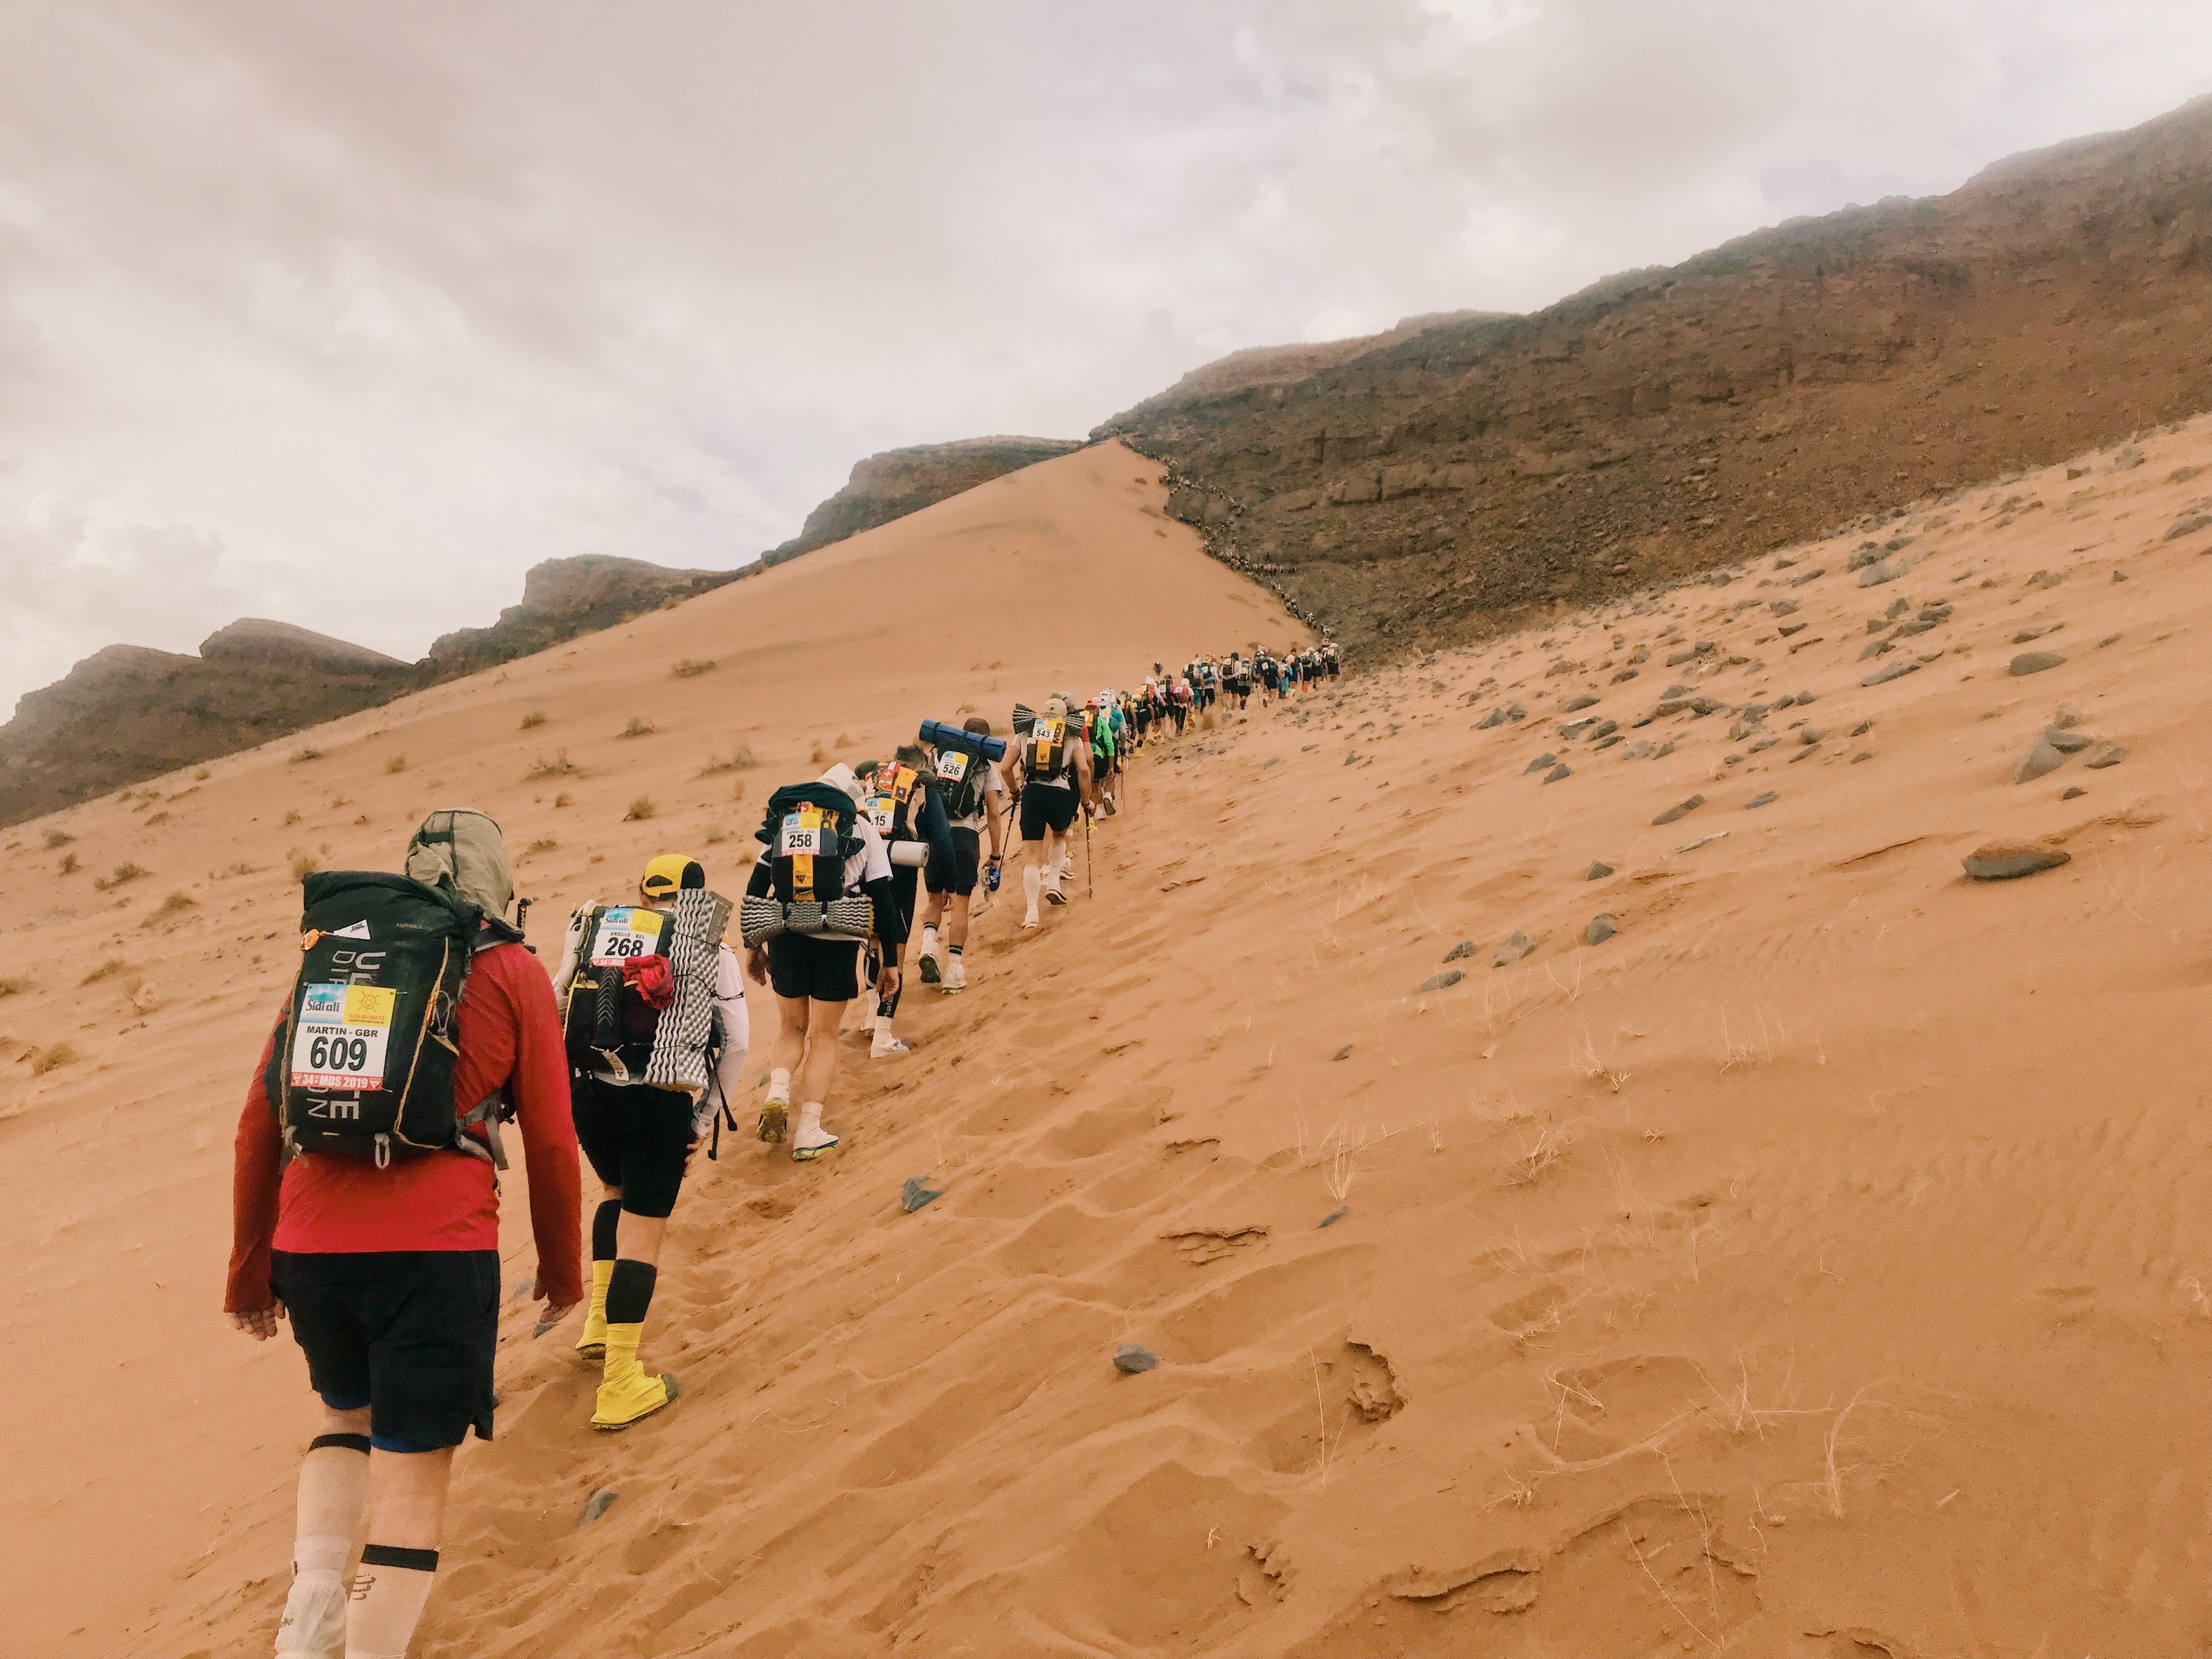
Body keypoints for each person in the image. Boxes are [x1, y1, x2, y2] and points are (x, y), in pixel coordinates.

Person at [228, 810, 581, 1659]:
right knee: (415, 1477)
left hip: (310, 1249)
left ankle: (312, 1600)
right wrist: (564, 1268)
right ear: (500, 882)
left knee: (343, 1417)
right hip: (437, 1252)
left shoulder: (333, 961)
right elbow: (553, 1137)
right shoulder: (514, 968)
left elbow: (258, 1124)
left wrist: (249, 1270)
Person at [552, 854, 746, 1430]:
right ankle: (620, 1382)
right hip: (658, 1098)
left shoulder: (593, 928)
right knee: (643, 1226)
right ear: (696, 896)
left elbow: (558, 1001)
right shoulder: (712, 948)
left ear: (643, 891)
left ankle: (597, 1326)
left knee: (613, 1191)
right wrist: (702, 1117)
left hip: (590, 1093)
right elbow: (735, 1042)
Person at [744, 764, 904, 1160]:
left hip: (786, 935)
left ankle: (779, 1091)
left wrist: (753, 945)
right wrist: (889, 962)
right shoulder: (861, 828)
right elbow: (883, 897)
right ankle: (809, 1130)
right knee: (825, 1037)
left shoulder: (786, 824)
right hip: (836, 938)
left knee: (790, 1027)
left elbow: (755, 888)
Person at [856, 749, 953, 1057]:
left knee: (872, 941)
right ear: (921, 765)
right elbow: (940, 836)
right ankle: (883, 1038)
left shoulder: (873, 779)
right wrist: (947, 880)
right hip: (899, 873)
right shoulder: (920, 785)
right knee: (896, 947)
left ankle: (871, 1017)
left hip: (863, 869)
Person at [916, 715, 1009, 992]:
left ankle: (928, 948)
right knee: (961, 904)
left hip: (934, 835)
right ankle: (954, 971)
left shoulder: (938, 758)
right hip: (965, 836)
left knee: (935, 899)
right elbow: (993, 812)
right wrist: (995, 854)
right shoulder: (984, 765)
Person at [1005, 696, 1094, 928]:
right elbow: (1083, 769)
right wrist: (1086, 801)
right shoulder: (1070, 733)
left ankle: (1032, 914)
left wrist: (1016, 791)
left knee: (1032, 856)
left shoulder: (1026, 731)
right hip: (1061, 793)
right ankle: (1054, 881)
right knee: (1058, 836)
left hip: (1033, 793)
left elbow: (1005, 767)